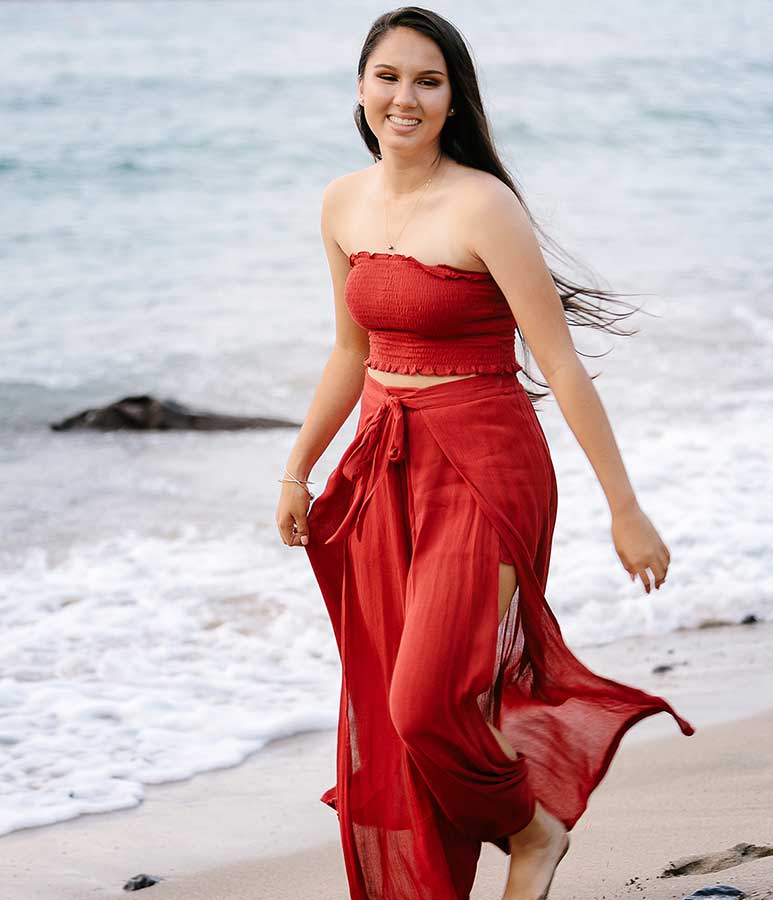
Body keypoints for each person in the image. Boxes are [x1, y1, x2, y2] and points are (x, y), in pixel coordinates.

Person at [275, 8, 695, 900]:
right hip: (384, 466)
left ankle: (532, 833)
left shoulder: (483, 204)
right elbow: (351, 354)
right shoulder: (341, 201)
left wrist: (626, 506)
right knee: (400, 707)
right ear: (359, 88)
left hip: (483, 467)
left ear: (454, 99)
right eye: (388, 76)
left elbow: (561, 363)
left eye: (428, 80)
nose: (405, 97)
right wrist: (297, 467)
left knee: (423, 702)